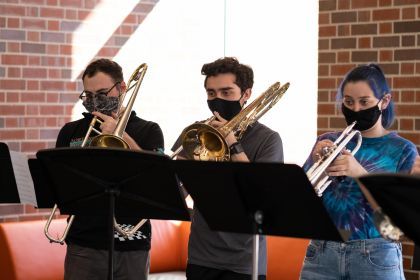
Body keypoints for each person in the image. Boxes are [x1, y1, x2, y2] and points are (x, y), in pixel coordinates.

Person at [300, 63, 418, 280]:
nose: (355, 109)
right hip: (322, 253)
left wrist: (360, 174)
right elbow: (301, 202)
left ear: (384, 101)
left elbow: (396, 227)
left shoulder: (403, 150)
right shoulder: (327, 141)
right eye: (348, 101)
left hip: (376, 256)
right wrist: (318, 165)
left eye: (364, 102)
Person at [172, 57, 284, 280]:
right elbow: (176, 193)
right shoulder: (196, 133)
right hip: (200, 256)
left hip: (244, 261)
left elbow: (261, 197)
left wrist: (233, 144)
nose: (217, 100)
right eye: (211, 94)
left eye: (226, 92)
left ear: (246, 94)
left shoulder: (269, 139)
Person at [56, 58, 164, 280]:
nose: (95, 101)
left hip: (131, 242)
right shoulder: (70, 131)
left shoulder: (149, 130)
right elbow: (60, 185)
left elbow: (157, 181)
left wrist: (120, 135)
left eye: (103, 93)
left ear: (122, 88)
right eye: (89, 95)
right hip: (84, 243)